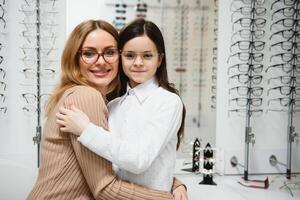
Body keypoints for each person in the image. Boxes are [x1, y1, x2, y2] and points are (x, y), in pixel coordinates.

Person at [27, 19, 186, 200]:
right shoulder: (94, 99)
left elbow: (132, 158)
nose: (101, 62)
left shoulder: (166, 102)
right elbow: (106, 185)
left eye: (109, 52)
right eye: (89, 53)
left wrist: (173, 181)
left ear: (160, 59)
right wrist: (166, 197)